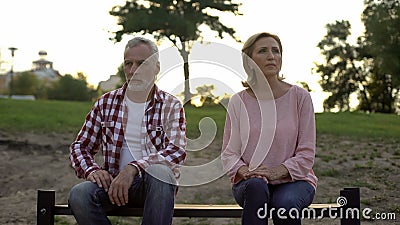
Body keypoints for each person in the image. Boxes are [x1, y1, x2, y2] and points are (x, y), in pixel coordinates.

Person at [68, 37, 186, 225]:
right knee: (79, 194)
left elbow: (176, 151)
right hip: (113, 186)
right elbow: (80, 147)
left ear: (156, 67)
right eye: (128, 64)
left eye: (141, 64)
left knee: (161, 173)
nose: (133, 70)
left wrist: (133, 168)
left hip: (152, 188)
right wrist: (92, 170)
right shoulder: (106, 103)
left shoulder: (170, 105)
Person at [221, 32, 318, 225]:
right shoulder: (238, 101)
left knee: (286, 205)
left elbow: (307, 154)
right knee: (257, 188)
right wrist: (245, 170)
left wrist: (276, 172)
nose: (271, 56)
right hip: (250, 183)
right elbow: (229, 153)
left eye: (276, 51)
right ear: (249, 62)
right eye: (263, 51)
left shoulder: (300, 97)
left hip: (295, 181)